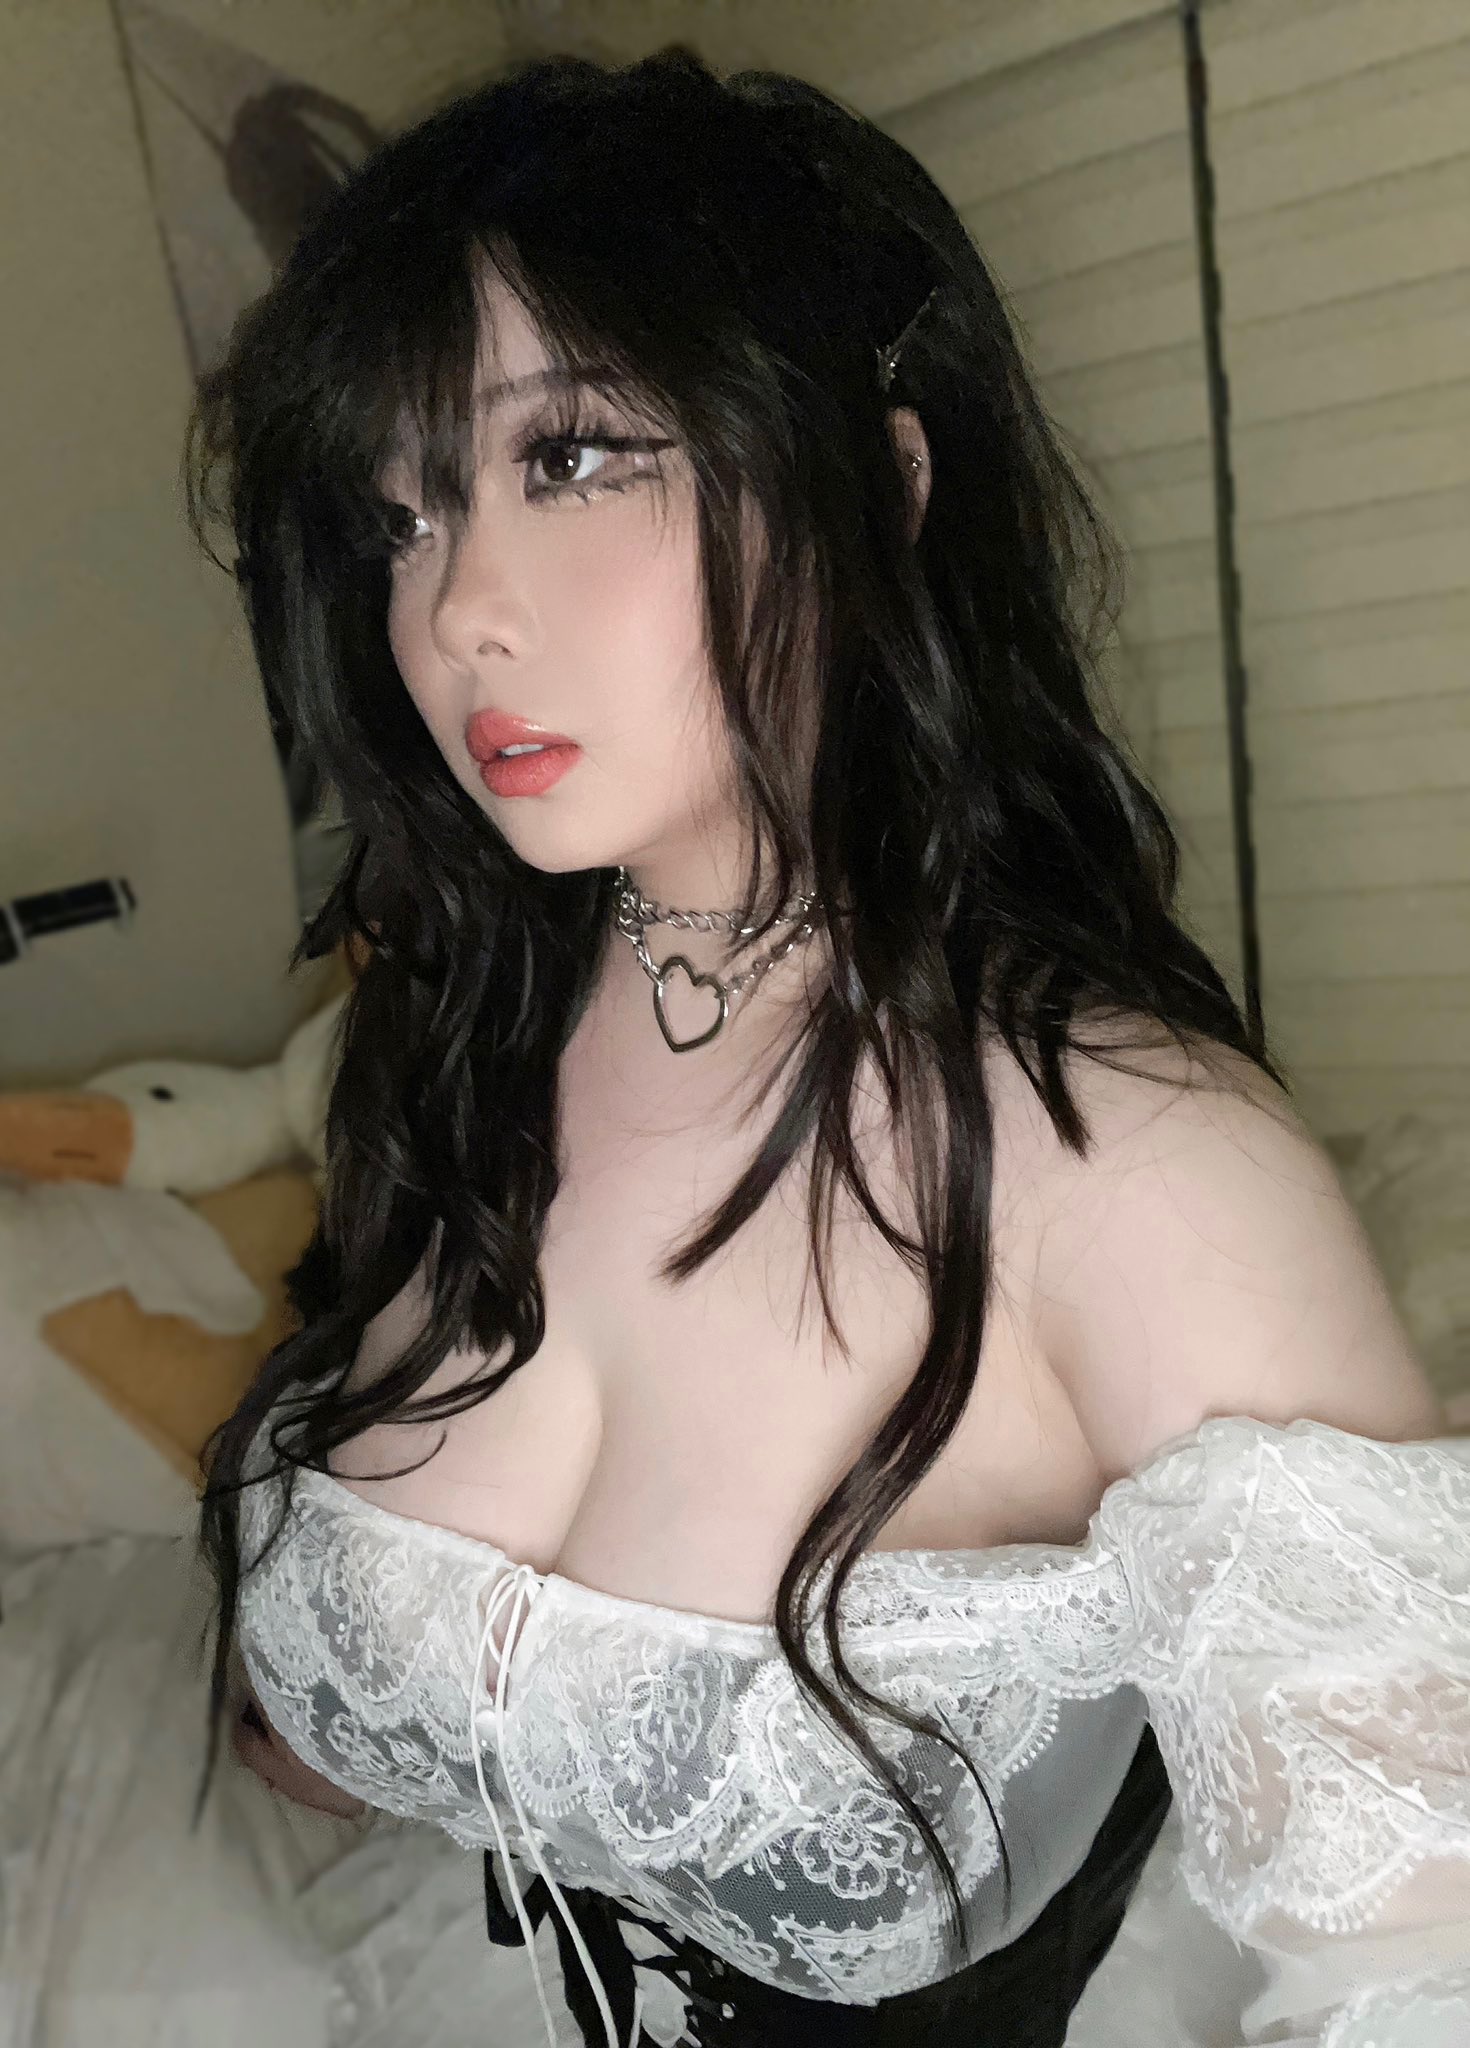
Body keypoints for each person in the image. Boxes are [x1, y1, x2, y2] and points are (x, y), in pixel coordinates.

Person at [184, 44, 1468, 2048]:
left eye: (573, 457)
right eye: (406, 513)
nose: (460, 613)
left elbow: (1421, 1970)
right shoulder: (444, 1037)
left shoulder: (1143, 1178)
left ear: (883, 479)